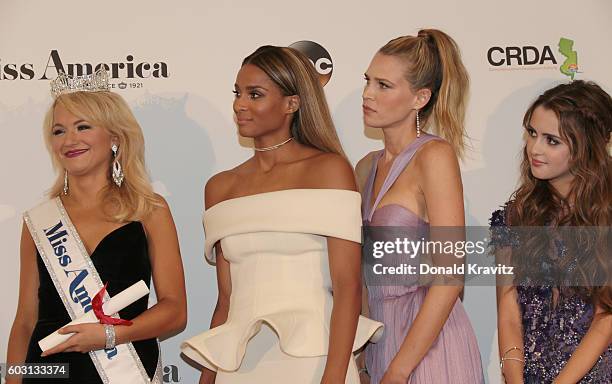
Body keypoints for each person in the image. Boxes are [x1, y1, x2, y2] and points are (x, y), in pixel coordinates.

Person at [180, 45, 383, 384]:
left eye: (255, 94)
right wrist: (208, 377)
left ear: (292, 103)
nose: (239, 104)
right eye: (238, 93)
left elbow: (348, 287)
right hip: (241, 365)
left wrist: (334, 377)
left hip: (316, 359)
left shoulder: (329, 170)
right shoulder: (219, 187)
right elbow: (226, 300)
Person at [6, 69, 187, 384]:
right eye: (59, 131)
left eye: (83, 126)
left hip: (125, 369)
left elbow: (175, 311)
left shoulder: (149, 209)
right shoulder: (39, 221)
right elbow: (25, 320)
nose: (70, 140)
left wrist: (108, 335)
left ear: (115, 136)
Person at [355, 29, 484, 383]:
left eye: (384, 85)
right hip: (380, 341)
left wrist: (399, 369)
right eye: (368, 81)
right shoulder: (364, 167)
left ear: (420, 97)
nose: (367, 94)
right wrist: (364, 360)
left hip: (429, 346)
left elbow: (450, 274)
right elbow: (360, 275)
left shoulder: (434, 155)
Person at [491, 80, 612, 383]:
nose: (535, 148)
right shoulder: (515, 217)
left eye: (552, 140)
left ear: (588, 147)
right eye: (532, 133)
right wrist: (514, 375)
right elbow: (508, 308)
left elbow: (606, 316)